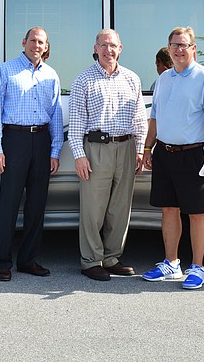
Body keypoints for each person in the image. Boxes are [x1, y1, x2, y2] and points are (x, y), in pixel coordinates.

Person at [141, 27, 204, 289]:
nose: (179, 49)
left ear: (193, 49)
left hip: (194, 154)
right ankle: (171, 264)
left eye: (184, 45)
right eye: (174, 45)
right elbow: (155, 116)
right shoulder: (164, 79)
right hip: (165, 153)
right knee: (169, 210)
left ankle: (198, 268)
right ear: (169, 49)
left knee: (197, 212)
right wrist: (147, 149)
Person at [69, 29, 147, 281]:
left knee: (119, 208)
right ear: (96, 48)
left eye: (112, 45)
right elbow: (77, 123)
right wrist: (79, 156)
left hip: (126, 148)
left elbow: (140, 119)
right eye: (103, 45)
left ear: (120, 48)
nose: (108, 50)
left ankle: (112, 257)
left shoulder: (132, 79)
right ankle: (91, 260)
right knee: (93, 209)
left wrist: (138, 150)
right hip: (96, 150)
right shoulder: (83, 80)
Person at [0, 27, 64, 282]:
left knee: (36, 205)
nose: (36, 45)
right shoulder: (5, 70)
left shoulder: (51, 75)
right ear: (24, 42)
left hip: (41, 140)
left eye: (41, 42)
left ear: (46, 46)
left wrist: (54, 151)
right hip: (14, 139)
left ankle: (28, 260)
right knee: (8, 204)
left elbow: (55, 116)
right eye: (33, 40)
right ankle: (2, 262)